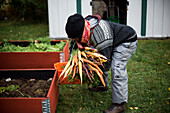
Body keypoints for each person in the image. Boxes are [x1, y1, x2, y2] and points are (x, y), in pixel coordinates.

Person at [65, 13, 138, 113]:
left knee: (117, 68)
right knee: (97, 61)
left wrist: (89, 68)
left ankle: (119, 104)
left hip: (126, 40)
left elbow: (105, 61)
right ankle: (102, 85)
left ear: (81, 33)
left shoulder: (99, 36)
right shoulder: (84, 26)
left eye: (75, 38)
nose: (74, 40)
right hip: (113, 40)